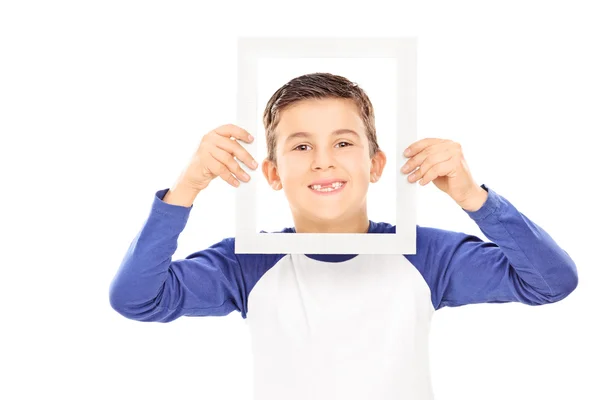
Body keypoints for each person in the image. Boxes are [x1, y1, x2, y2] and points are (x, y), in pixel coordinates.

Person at [108, 72, 578, 400]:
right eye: (302, 145)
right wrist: (185, 189)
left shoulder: (426, 253)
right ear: (272, 173)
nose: (323, 161)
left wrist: (474, 197)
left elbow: (550, 282)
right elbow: (137, 298)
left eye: (343, 142)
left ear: (374, 165)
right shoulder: (247, 261)